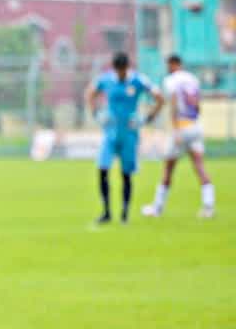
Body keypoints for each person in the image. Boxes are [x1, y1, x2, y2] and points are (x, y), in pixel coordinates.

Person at [85, 52, 163, 224]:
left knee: (126, 173)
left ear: (127, 67)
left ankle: (124, 213)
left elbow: (159, 97)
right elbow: (90, 92)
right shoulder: (106, 80)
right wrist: (96, 113)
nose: (120, 74)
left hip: (129, 132)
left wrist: (148, 118)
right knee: (103, 168)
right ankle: (106, 211)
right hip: (111, 131)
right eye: (117, 70)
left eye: (122, 70)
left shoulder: (138, 80)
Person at [143, 54, 217, 218]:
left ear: (173, 64)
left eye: (168, 65)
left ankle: (157, 207)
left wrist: (176, 129)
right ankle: (209, 206)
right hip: (195, 126)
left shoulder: (171, 80)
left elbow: (174, 103)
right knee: (199, 166)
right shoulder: (192, 79)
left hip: (182, 128)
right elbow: (197, 104)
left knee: (168, 168)